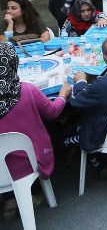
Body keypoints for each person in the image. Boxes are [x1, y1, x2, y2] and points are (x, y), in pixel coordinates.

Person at [0, 43, 70, 221]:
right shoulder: (26, 90)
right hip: (29, 162)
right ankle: (34, 192)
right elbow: (53, 112)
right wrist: (63, 95)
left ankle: (9, 200)